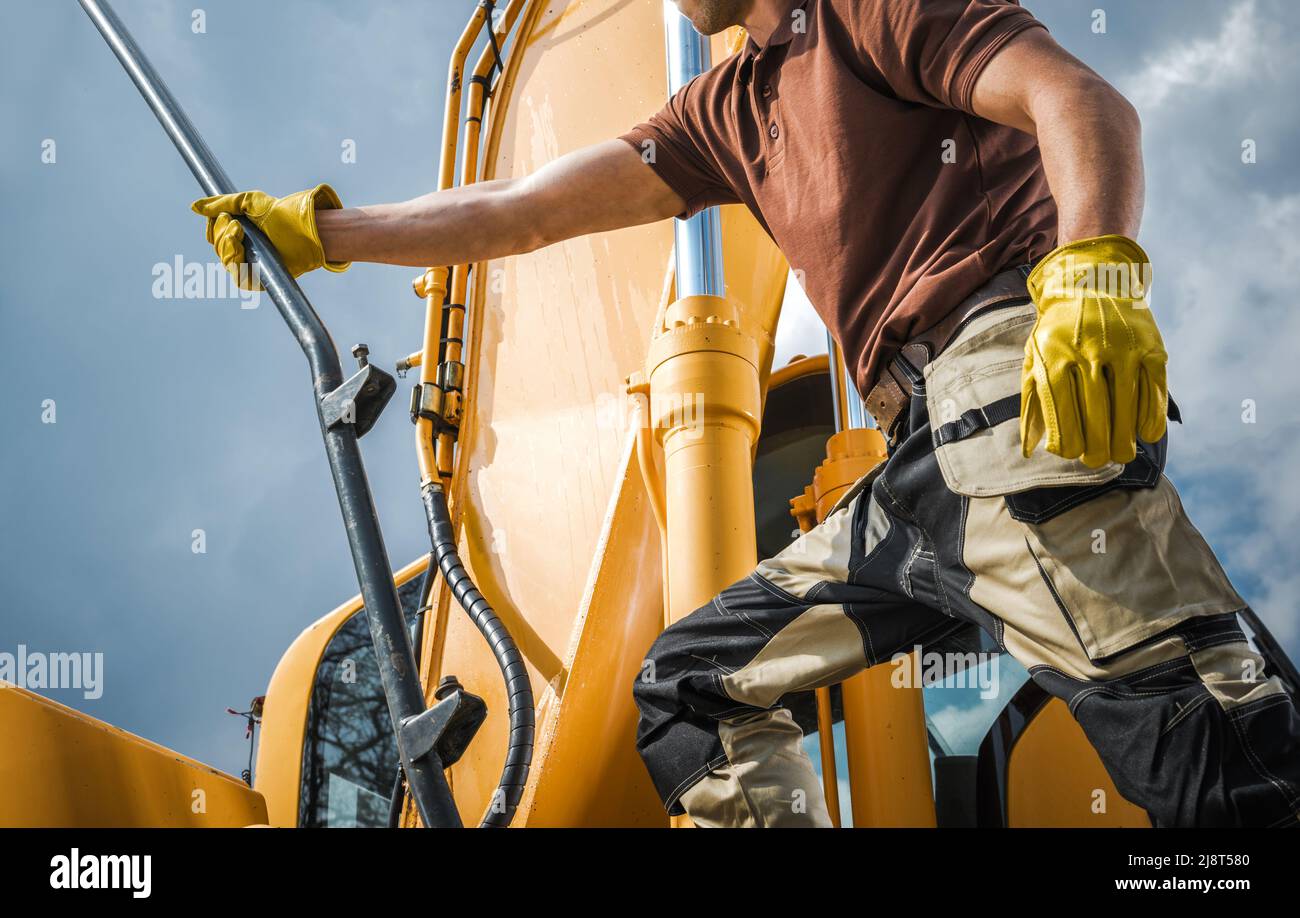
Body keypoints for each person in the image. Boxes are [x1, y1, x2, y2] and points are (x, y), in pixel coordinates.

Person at [193, 0, 1300, 827]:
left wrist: (1096, 268)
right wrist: (325, 237)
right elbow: (519, 212)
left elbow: (1080, 98)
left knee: (1215, 766)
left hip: (1009, 392)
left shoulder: (874, 11)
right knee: (689, 688)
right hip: (918, 471)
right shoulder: (719, 111)